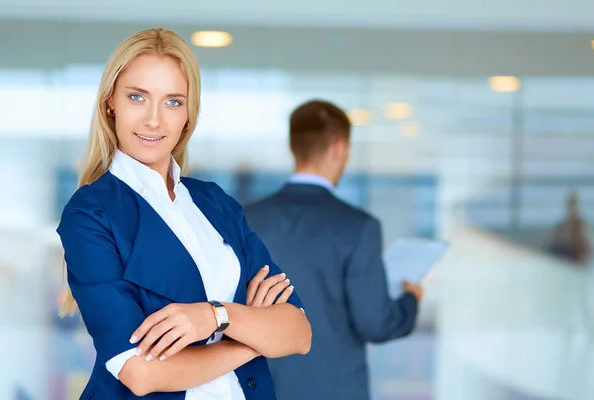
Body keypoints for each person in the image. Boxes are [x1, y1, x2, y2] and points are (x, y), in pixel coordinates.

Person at [56, 28, 311, 400]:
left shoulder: (214, 203)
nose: (154, 121)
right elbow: (139, 373)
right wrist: (255, 339)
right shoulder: (91, 213)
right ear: (111, 101)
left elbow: (298, 331)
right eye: (137, 97)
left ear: (189, 112)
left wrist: (215, 316)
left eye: (173, 102)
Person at [244, 100, 423, 400]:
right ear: (339, 148)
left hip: (260, 386)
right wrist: (410, 301)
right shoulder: (359, 227)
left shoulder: (247, 218)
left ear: (293, 147)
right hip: (335, 389)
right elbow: (375, 323)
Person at [549, 191, 592, 266]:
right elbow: (554, 245)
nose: (572, 208)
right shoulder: (561, 227)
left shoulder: (582, 227)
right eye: (570, 204)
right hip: (564, 263)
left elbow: (587, 249)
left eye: (574, 204)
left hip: (579, 264)